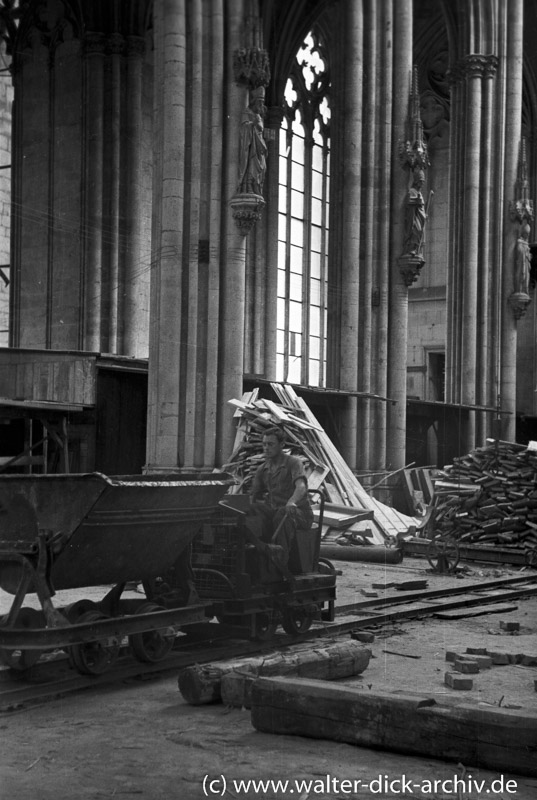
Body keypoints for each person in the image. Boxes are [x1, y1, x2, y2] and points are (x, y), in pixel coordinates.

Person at [249, 426, 313, 566]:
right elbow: (254, 494)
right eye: (264, 444)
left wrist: (292, 502)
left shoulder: (294, 463)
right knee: (253, 509)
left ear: (282, 445)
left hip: (299, 513)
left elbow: (301, 486)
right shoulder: (263, 469)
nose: (266, 448)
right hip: (276, 512)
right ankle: (261, 551)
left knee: (283, 512)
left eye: (270, 444)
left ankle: (280, 561)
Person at [237, 87, 268, 195]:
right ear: (254, 102)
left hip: (260, 145)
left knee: (261, 167)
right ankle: (248, 186)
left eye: (262, 102)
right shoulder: (247, 112)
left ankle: (256, 186)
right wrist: (252, 124)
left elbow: (261, 129)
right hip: (251, 144)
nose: (261, 105)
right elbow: (244, 127)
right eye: (259, 102)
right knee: (251, 165)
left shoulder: (259, 116)